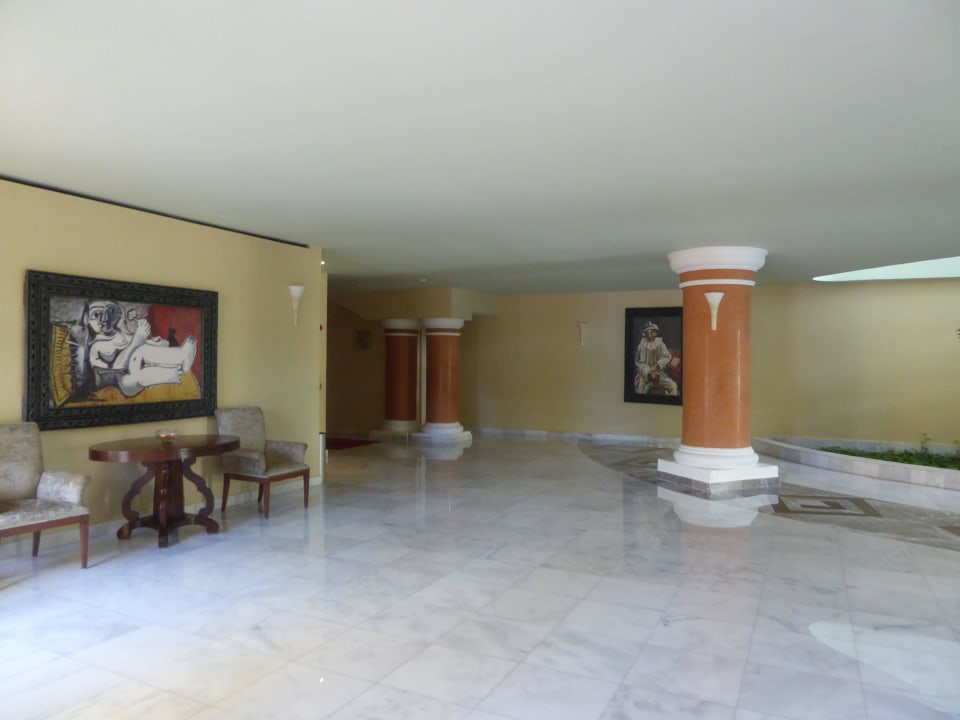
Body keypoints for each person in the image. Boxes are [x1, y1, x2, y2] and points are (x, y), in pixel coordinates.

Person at [77, 300, 197, 397]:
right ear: (87, 320)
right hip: (125, 381)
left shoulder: (121, 335)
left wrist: (154, 342)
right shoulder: (96, 347)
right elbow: (118, 366)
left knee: (143, 352)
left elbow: (140, 344)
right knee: (139, 356)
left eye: (110, 312)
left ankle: (180, 365)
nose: (104, 319)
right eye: (96, 314)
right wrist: (138, 339)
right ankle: (180, 359)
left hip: (139, 364)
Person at [634, 321, 678, 395]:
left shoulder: (660, 344)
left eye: (651, 333)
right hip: (645, 376)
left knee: (673, 386)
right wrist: (648, 371)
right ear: (645, 334)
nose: (649, 336)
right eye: (647, 333)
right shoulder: (642, 345)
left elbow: (667, 356)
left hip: (659, 374)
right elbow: (639, 362)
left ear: (655, 333)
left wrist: (658, 365)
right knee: (639, 391)